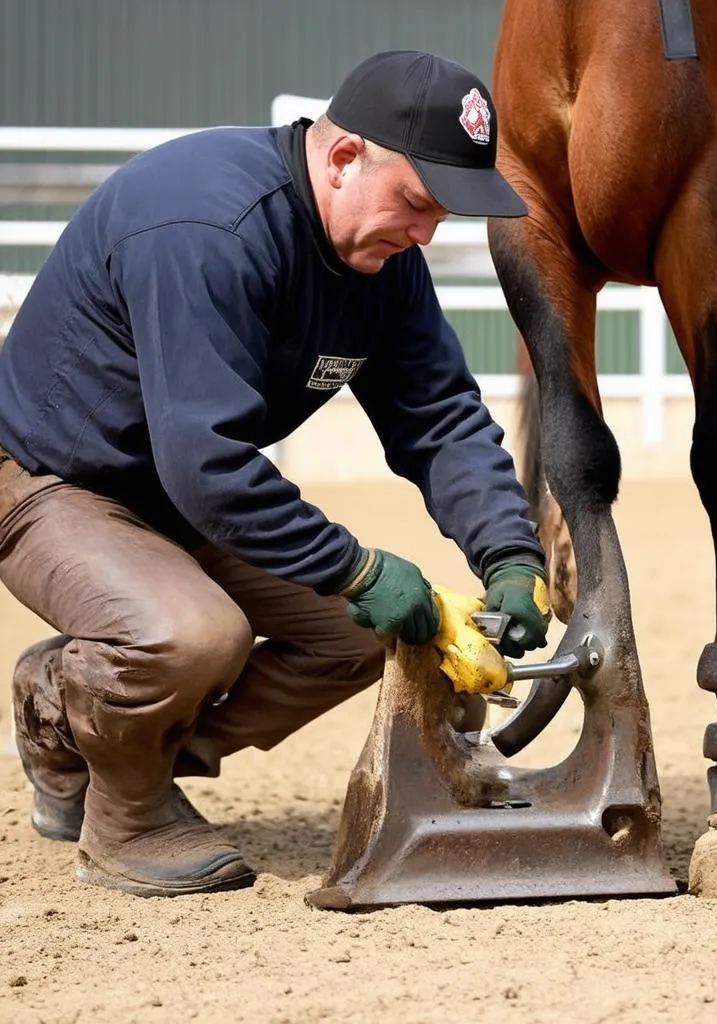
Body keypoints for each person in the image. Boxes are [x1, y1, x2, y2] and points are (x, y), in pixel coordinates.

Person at [0, 50, 550, 898]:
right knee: (192, 636)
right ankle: (128, 820)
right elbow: (208, 462)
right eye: (416, 202)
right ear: (341, 158)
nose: (427, 235)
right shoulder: (207, 228)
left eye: (441, 214)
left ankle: (86, 730)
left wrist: (510, 555)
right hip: (52, 477)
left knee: (378, 632)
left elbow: (437, 416)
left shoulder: (382, 261)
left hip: (178, 490)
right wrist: (358, 568)